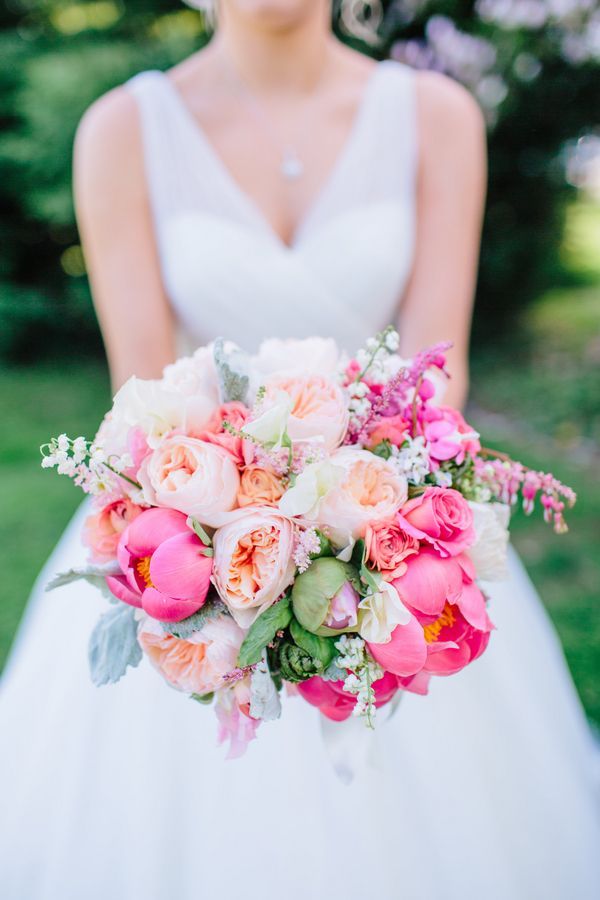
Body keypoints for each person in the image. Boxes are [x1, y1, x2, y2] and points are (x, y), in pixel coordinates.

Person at [1, 2, 598, 898]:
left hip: (380, 537)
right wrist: (240, 540)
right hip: (193, 535)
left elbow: (439, 380)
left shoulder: (436, 118)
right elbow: (144, 399)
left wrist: (346, 534)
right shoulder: (124, 130)